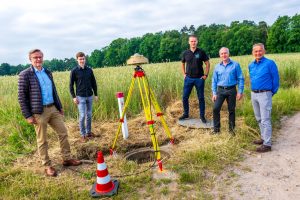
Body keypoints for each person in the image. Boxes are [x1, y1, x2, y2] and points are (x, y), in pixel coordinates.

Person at [18, 49, 82, 177]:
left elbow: (54, 91)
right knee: (42, 140)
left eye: (40, 57)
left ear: (43, 58)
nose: (38, 59)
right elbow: (21, 97)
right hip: (38, 112)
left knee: (63, 132)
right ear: (30, 59)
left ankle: (67, 159)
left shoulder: (47, 72)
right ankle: (47, 165)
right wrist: (28, 115)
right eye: (35, 57)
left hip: (53, 108)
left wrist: (59, 106)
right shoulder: (25, 75)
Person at [249, 43, 280, 152]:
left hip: (265, 94)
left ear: (264, 51)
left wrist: (271, 93)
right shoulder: (251, 65)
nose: (258, 53)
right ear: (253, 52)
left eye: (260, 50)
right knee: (259, 118)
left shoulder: (270, 63)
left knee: (265, 119)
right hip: (254, 94)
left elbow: (276, 80)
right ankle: (263, 138)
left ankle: (267, 144)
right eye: (255, 51)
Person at [211, 47, 244, 134]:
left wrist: (240, 91)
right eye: (222, 53)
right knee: (215, 109)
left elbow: (240, 78)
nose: (224, 55)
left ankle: (231, 130)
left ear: (228, 54)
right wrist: (214, 93)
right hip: (220, 90)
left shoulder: (235, 65)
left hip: (231, 90)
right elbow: (214, 80)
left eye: (225, 53)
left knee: (231, 110)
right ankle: (217, 130)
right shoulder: (217, 67)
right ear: (220, 55)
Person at [179, 35, 210, 123]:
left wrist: (205, 75)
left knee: (201, 98)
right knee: (185, 97)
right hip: (188, 79)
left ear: (197, 42)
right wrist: (184, 73)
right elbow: (182, 63)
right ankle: (186, 114)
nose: (193, 43)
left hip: (199, 79)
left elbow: (207, 64)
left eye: (194, 41)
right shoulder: (185, 53)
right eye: (191, 41)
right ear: (189, 42)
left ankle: (202, 116)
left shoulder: (201, 52)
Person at [69, 52, 98, 143]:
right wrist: (74, 97)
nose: (82, 60)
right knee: (82, 116)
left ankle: (88, 133)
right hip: (80, 97)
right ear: (77, 60)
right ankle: (83, 135)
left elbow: (94, 83)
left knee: (89, 115)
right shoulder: (74, 71)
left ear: (85, 59)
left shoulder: (89, 70)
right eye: (80, 59)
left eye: (83, 59)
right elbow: (70, 85)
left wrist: (95, 94)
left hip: (89, 95)